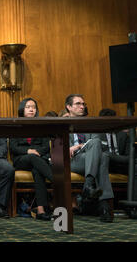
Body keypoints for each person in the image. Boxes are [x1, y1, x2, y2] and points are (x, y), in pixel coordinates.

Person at [65, 94, 114, 222]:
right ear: (69, 107)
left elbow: (96, 144)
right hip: (71, 160)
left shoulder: (91, 123)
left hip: (89, 159)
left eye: (83, 104)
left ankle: (88, 185)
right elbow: (55, 146)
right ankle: (104, 206)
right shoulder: (61, 123)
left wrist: (82, 146)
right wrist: (67, 148)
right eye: (78, 104)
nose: (82, 106)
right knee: (101, 157)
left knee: (101, 153)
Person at [9, 98, 53, 221]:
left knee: (37, 172)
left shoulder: (41, 126)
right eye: (28, 106)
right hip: (21, 160)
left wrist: (36, 152)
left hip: (38, 159)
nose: (31, 109)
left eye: (33, 107)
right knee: (34, 159)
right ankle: (57, 180)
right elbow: (13, 147)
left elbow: (46, 146)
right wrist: (28, 151)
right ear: (22, 109)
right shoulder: (15, 125)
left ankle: (40, 210)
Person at [96, 108, 137, 219]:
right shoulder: (97, 136)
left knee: (135, 167)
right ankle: (104, 207)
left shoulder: (123, 136)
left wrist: (111, 156)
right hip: (106, 166)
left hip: (122, 166)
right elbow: (100, 156)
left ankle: (133, 206)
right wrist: (109, 157)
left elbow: (130, 158)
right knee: (101, 163)